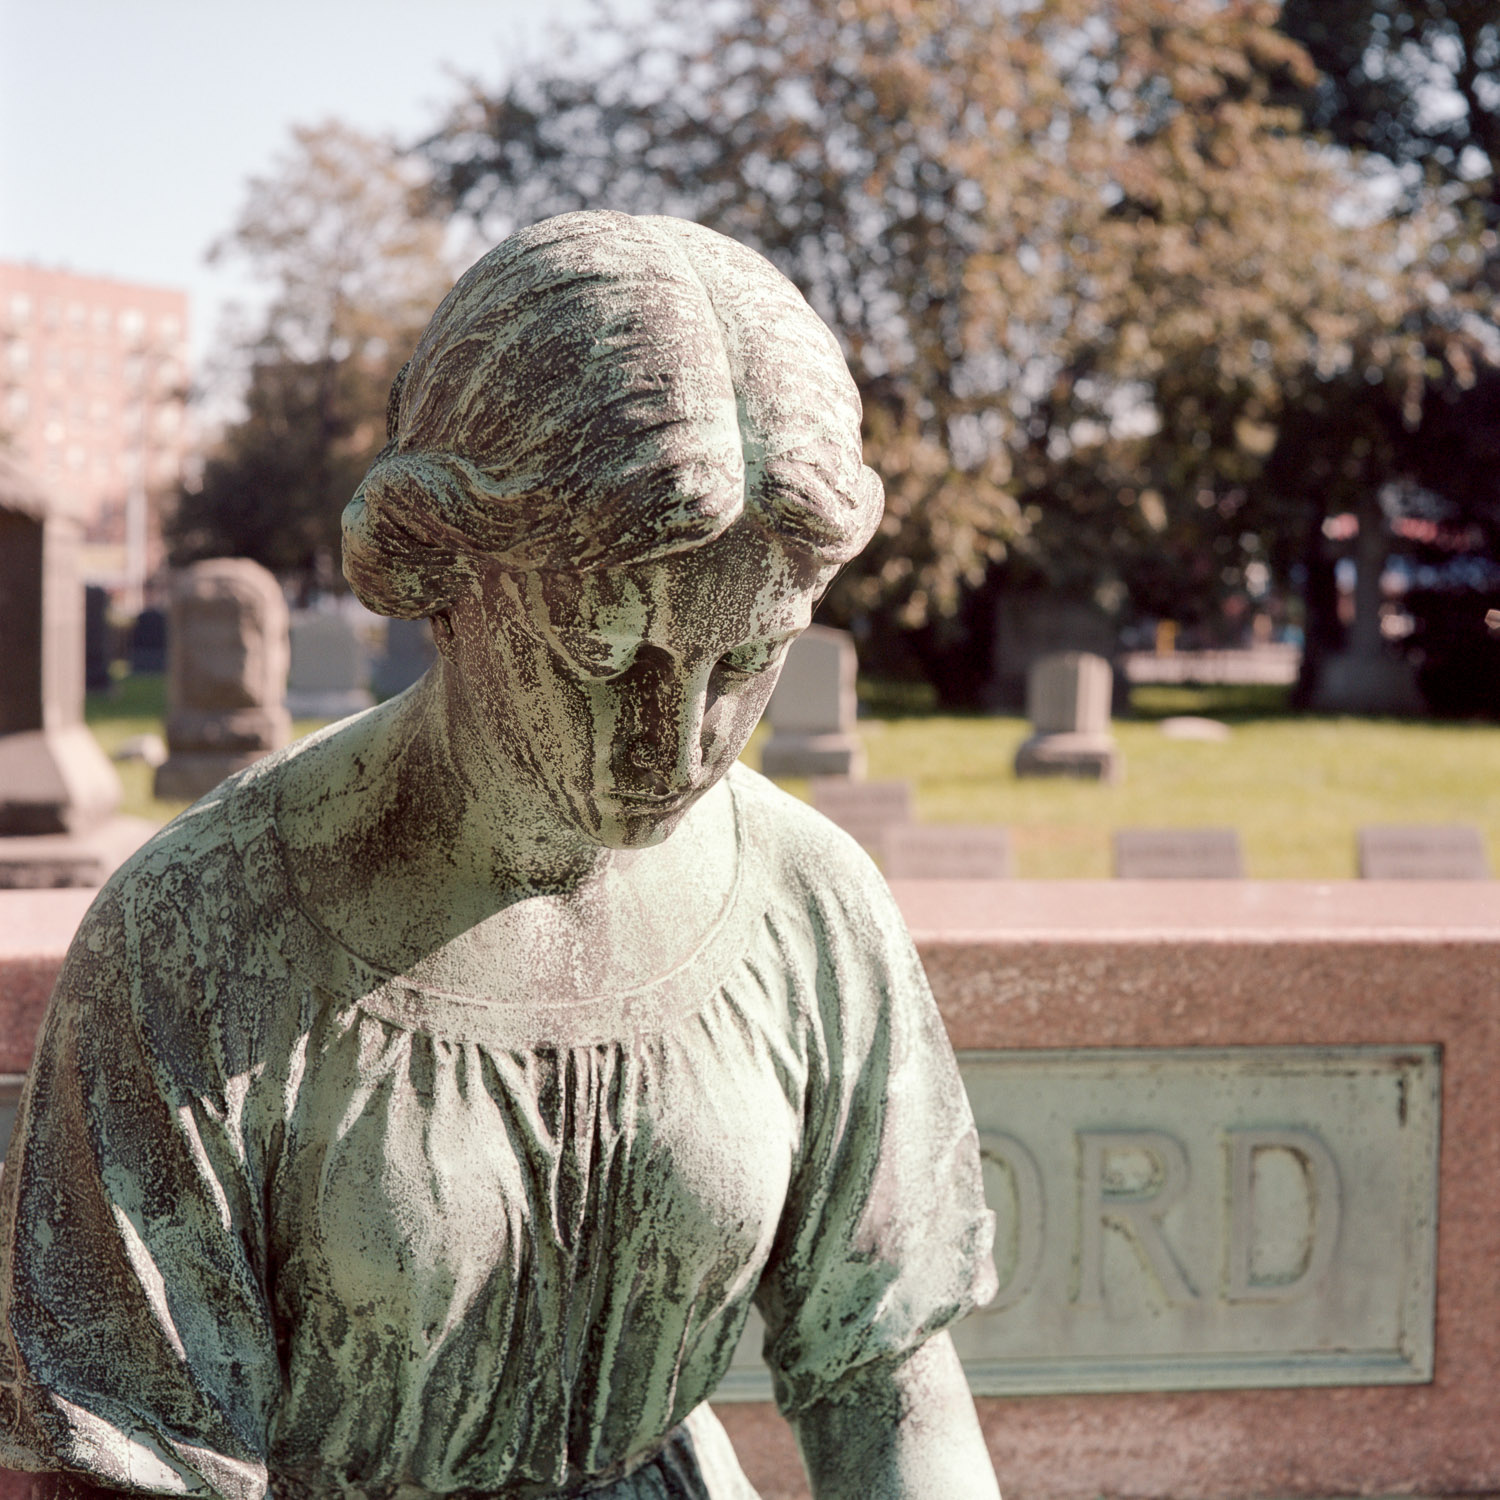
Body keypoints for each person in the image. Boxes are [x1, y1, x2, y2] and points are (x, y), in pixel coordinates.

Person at [0, 212, 999, 1500]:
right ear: (443, 563)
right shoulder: (199, 935)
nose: (673, 747)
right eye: (605, 654)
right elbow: (139, 1467)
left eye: (742, 661)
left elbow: (888, 1382)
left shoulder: (813, 906)